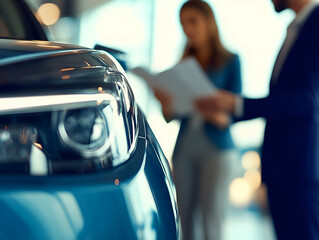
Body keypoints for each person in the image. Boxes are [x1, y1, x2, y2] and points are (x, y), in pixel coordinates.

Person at [195, 0, 319, 239]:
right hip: (283, 165)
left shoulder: (315, 23)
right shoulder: (297, 27)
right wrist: (231, 109)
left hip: (300, 168)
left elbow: (307, 99)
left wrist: (236, 104)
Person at [154, 1, 242, 239]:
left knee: (211, 222)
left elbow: (232, 117)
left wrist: (207, 107)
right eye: (183, 24)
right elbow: (169, 116)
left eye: (193, 22)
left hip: (217, 150)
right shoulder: (182, 64)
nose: (187, 29)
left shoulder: (231, 61)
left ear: (208, 23)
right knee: (184, 223)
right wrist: (164, 100)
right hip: (184, 151)